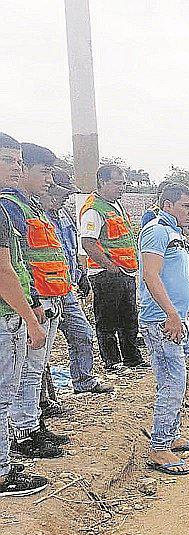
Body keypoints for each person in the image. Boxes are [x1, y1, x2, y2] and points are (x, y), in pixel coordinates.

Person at [0, 143, 72, 458]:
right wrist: (31, 304)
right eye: (44, 172)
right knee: (25, 371)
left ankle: (30, 424)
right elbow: (16, 262)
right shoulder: (11, 207)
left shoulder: (31, 205)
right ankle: (24, 432)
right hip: (32, 299)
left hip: (46, 295)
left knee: (34, 368)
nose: (49, 180)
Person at [0, 132, 49, 495]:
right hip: (6, 316)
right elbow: (5, 271)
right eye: (9, 161)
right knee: (4, 396)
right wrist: (31, 319)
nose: (16, 168)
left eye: (19, 161)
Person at [137, 183, 189, 475]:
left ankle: (169, 437)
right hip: (161, 319)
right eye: (186, 206)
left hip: (175, 317)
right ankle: (159, 448)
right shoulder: (157, 230)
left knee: (173, 382)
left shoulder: (174, 233)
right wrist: (172, 313)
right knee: (173, 383)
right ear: (168, 204)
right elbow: (150, 275)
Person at [45, 169, 111, 395]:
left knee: (82, 334)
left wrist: (81, 275)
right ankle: (43, 401)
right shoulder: (35, 218)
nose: (66, 197)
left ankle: (84, 381)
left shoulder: (64, 217)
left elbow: (72, 249)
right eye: (62, 192)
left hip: (66, 289)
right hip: (43, 292)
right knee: (39, 348)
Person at [80, 163, 146, 371]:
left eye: (124, 183)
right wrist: (109, 266)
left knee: (129, 318)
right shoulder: (94, 209)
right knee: (107, 319)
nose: (122, 188)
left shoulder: (115, 205)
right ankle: (112, 361)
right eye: (117, 183)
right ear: (103, 182)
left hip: (125, 271)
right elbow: (88, 242)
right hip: (106, 274)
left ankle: (132, 358)